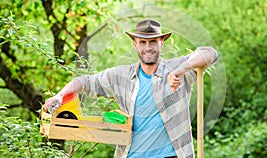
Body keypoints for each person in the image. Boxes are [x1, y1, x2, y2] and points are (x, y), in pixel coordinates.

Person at [44, 19, 218, 158]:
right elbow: (84, 82)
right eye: (142, 42)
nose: (148, 47)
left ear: (162, 43)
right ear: (135, 44)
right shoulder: (120, 76)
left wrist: (180, 71)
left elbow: (210, 53)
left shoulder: (178, 69)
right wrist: (59, 96)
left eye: (153, 42)